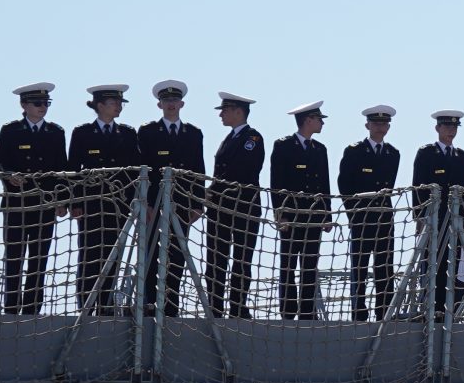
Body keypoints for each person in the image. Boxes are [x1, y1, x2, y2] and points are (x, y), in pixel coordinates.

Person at [0, 83, 68, 317]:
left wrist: (62, 200)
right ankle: (11, 309)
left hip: (44, 205)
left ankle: (32, 309)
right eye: (37, 103)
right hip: (16, 203)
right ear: (24, 105)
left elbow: (62, 169)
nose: (42, 107)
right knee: (14, 258)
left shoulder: (55, 132)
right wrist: (9, 176)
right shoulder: (10, 130)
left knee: (39, 259)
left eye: (46, 103)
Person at [68, 85, 141, 316]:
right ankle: (85, 307)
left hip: (118, 205)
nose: (118, 107)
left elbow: (134, 172)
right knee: (89, 255)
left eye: (120, 103)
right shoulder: (83, 133)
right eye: (113, 103)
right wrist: (74, 203)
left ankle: (106, 307)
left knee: (113, 255)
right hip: (90, 205)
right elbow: (73, 171)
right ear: (99, 105)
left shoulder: (127, 134)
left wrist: (133, 202)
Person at [136, 81, 205, 315]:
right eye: (166, 101)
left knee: (177, 254)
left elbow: (198, 170)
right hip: (154, 204)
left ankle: (170, 304)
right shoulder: (148, 132)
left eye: (175, 100)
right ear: (160, 105)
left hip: (182, 203)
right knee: (151, 252)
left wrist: (198, 204)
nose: (171, 104)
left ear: (182, 104)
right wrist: (145, 203)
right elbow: (142, 169)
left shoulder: (193, 134)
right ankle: (149, 302)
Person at [338, 106, 402, 320]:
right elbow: (344, 185)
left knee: (385, 266)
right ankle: (359, 311)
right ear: (367, 125)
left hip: (384, 217)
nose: (380, 127)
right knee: (360, 266)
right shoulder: (354, 151)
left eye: (384, 124)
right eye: (376, 123)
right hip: (362, 217)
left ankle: (384, 311)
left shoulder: (393, 154)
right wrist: (353, 214)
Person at [271, 102, 332, 319]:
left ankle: (307, 312)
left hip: (313, 216)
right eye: (319, 119)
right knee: (288, 263)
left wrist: (327, 214)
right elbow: (276, 183)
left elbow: (324, 185)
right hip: (292, 216)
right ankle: (288, 312)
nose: (322, 123)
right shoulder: (284, 146)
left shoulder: (320, 150)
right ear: (308, 120)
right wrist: (281, 215)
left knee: (309, 264)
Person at [207, 91, 265, 318]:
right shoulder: (229, 139)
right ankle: (215, 305)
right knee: (216, 258)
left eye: (224, 110)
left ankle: (238, 306)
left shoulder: (252, 138)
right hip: (220, 207)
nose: (221, 115)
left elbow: (243, 170)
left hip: (243, 206)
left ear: (238, 112)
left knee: (242, 259)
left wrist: (216, 190)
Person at [413, 110, 464, 319]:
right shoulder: (426, 154)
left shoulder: (462, 157)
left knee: (452, 265)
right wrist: (419, 216)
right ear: (437, 128)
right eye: (447, 126)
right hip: (433, 219)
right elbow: (418, 186)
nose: (451, 130)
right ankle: (429, 308)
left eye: (454, 126)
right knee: (431, 264)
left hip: (455, 220)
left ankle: (446, 310)